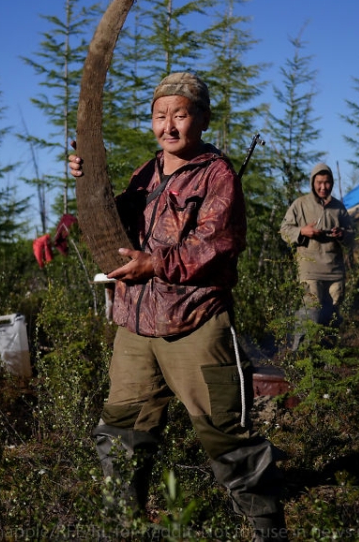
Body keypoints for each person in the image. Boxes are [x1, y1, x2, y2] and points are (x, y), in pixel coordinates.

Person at [69, 72, 288, 541]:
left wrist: (155, 263)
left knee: (225, 434)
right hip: (135, 326)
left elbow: (218, 244)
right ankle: (122, 525)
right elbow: (116, 221)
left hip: (196, 322)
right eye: (159, 116)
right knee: (122, 433)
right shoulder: (145, 174)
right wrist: (88, 182)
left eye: (180, 115)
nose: (169, 126)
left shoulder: (218, 175)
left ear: (202, 119)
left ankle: (269, 529)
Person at [279, 163, 355, 349]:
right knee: (311, 311)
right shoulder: (300, 204)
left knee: (333, 314)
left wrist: (342, 234)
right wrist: (303, 232)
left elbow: (353, 234)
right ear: (313, 182)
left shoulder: (339, 208)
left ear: (332, 183)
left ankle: (327, 357)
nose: (323, 187)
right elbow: (284, 230)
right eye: (319, 182)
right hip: (310, 270)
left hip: (335, 271)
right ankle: (299, 352)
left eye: (327, 182)